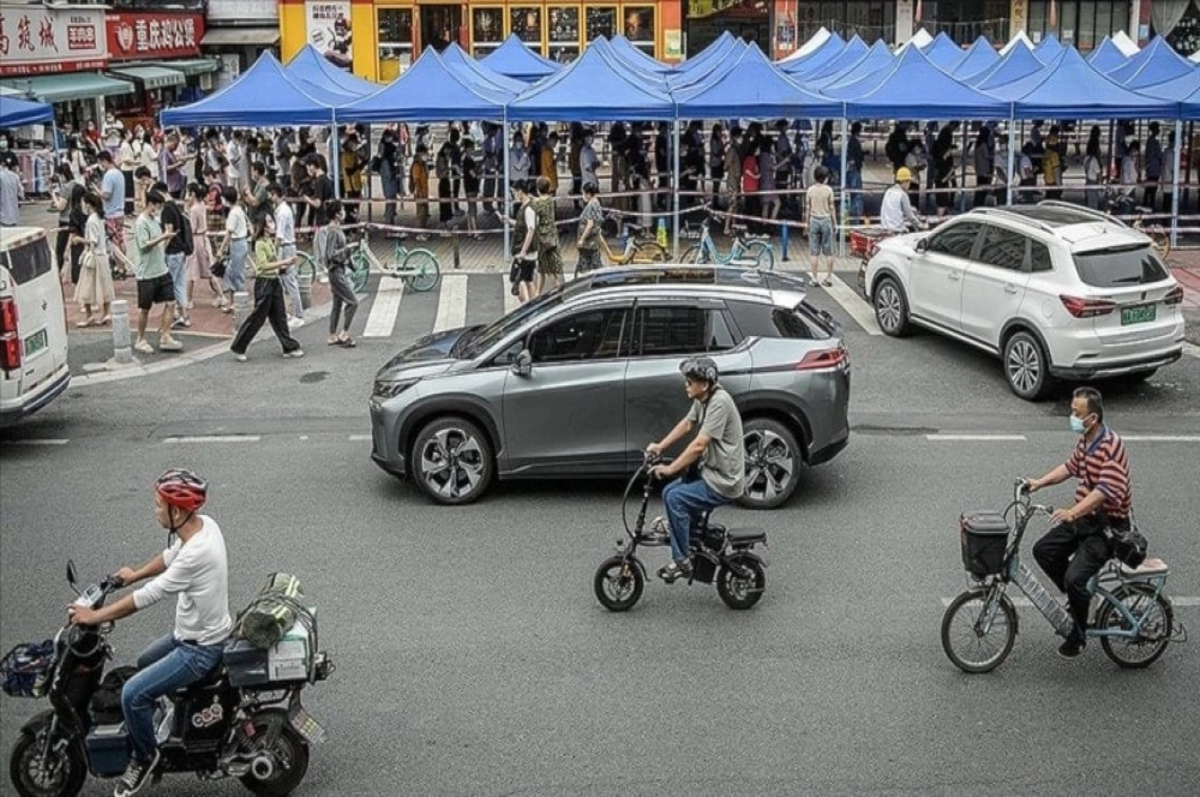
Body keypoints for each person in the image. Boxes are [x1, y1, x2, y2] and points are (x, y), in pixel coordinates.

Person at [66, 469, 231, 797]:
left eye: (159, 505)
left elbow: (147, 597)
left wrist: (94, 616)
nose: (155, 511)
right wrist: (133, 574)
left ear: (178, 511)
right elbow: (169, 557)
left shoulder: (198, 553)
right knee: (144, 662)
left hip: (200, 650)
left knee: (132, 695)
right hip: (190, 634)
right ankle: (171, 717)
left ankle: (144, 757)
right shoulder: (203, 525)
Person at [1026, 387, 1133, 659]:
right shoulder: (1086, 440)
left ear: (1093, 417)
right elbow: (1070, 467)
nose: (1072, 417)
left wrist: (1072, 513)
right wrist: (1039, 483)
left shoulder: (1110, 445)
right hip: (1085, 518)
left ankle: (1079, 634)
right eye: (1072, 411)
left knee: (1075, 578)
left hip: (1107, 527)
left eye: (1077, 413)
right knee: (1044, 550)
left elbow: (1104, 492)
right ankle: (1080, 599)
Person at [645, 357, 745, 583]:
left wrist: (670, 468)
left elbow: (699, 445)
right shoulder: (703, 399)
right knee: (669, 492)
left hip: (723, 480)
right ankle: (684, 532)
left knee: (676, 499)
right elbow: (687, 424)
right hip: (711, 471)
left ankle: (682, 560)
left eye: (690, 382)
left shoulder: (719, 403)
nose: (686, 385)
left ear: (705, 384)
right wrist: (660, 446)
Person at [230, 212, 304, 362]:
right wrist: (284, 262)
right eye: (269, 222)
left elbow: (273, 262)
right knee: (258, 317)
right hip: (264, 283)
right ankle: (239, 346)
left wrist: (284, 266)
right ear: (263, 225)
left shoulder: (269, 241)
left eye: (272, 221)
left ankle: (288, 346)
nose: (272, 224)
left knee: (280, 316)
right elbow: (263, 266)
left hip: (274, 282)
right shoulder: (260, 243)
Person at [132, 191, 184, 354]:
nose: (159, 210)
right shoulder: (141, 223)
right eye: (157, 206)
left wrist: (167, 237)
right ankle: (140, 339)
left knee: (171, 302)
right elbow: (144, 245)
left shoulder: (155, 220)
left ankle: (166, 335)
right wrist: (163, 237)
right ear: (151, 204)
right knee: (145, 308)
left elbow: (159, 241)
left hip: (161, 269)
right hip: (146, 273)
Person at [72, 191, 114, 326]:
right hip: (102, 256)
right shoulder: (100, 218)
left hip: (93, 257)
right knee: (105, 285)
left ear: (89, 205)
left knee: (86, 286)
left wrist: (79, 239)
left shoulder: (91, 220)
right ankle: (106, 312)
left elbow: (93, 241)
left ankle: (89, 315)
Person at [322, 199, 358, 347]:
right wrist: (347, 250)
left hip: (339, 269)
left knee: (337, 304)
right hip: (335, 271)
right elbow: (330, 254)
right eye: (342, 210)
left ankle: (332, 335)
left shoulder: (337, 229)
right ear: (337, 214)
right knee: (353, 302)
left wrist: (350, 263)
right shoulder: (332, 231)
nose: (344, 212)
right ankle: (344, 333)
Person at [156, 184, 192, 329]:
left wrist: (161, 249)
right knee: (179, 284)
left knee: (171, 285)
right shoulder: (176, 207)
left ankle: (175, 314)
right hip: (181, 250)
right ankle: (183, 315)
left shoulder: (167, 209)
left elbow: (168, 231)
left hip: (172, 252)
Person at [268, 183, 304, 327]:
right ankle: (291, 312)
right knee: (285, 281)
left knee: (289, 281)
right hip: (287, 246)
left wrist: (273, 252)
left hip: (286, 247)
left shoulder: (282, 212)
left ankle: (298, 314)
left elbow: (280, 236)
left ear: (275, 194)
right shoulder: (281, 210)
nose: (269, 197)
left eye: (270, 194)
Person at [216, 186, 250, 313]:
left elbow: (228, 233)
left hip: (237, 244)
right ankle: (233, 302)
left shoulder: (234, 213)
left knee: (237, 275)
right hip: (239, 243)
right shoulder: (238, 209)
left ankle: (241, 303)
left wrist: (221, 249)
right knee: (231, 273)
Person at [98, 151, 130, 274]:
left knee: (114, 243)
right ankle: (123, 265)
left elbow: (106, 195)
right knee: (120, 240)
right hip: (120, 211)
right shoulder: (119, 173)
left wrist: (96, 190)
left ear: (104, 161)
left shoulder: (108, 176)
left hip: (111, 213)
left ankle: (119, 267)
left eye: (101, 162)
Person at [805, 164, 836, 288]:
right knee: (829, 252)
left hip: (814, 220)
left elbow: (807, 208)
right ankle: (829, 278)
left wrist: (806, 222)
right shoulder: (829, 190)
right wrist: (835, 222)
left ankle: (814, 278)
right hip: (826, 220)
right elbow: (832, 207)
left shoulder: (810, 190)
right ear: (825, 178)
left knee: (814, 252)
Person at [533, 175, 563, 295]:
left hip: (543, 238)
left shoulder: (538, 204)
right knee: (542, 268)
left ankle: (558, 292)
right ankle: (537, 293)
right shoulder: (550, 200)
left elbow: (535, 219)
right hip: (552, 236)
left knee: (548, 269)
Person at [510, 180, 538, 304]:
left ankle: (525, 304)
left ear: (520, 191)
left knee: (515, 279)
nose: (514, 195)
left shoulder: (528, 209)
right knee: (528, 280)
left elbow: (530, 230)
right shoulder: (527, 206)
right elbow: (523, 226)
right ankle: (532, 305)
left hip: (525, 253)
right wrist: (509, 221)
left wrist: (523, 251)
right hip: (527, 252)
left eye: (515, 192)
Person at [880, 167, 921, 233]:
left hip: (885, 228)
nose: (909, 184)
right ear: (905, 181)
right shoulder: (902, 195)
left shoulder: (888, 191)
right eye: (909, 182)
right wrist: (920, 225)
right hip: (897, 230)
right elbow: (910, 217)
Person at [576, 182, 604, 273]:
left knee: (586, 266)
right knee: (596, 264)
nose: (582, 196)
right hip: (594, 241)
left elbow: (590, 224)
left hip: (589, 243)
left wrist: (582, 239)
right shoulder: (596, 203)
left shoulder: (591, 206)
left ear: (588, 194)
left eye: (583, 193)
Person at [410, 144, 430, 239]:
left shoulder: (422, 165)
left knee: (424, 213)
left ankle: (423, 231)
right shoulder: (416, 165)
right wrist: (420, 192)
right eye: (424, 153)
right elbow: (416, 180)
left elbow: (427, 175)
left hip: (425, 191)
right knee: (420, 213)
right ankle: (419, 233)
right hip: (420, 192)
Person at [1143, 121, 1162, 210]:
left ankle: (1146, 203)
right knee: (1153, 187)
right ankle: (1151, 205)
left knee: (1148, 187)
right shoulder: (1155, 142)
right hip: (1154, 168)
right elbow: (1159, 155)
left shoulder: (1149, 141)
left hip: (1150, 167)